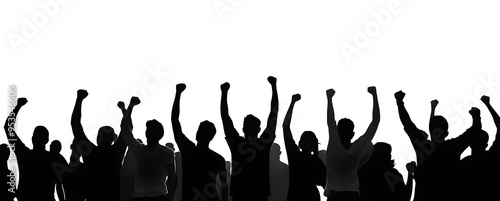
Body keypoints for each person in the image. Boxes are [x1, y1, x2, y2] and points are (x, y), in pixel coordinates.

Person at [394, 91, 478, 201]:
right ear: (446, 133)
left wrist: (399, 102)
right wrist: (476, 116)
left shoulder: (423, 147)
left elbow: (407, 123)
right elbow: (474, 130)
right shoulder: (453, 146)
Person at [220, 76, 278, 201]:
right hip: (258, 194)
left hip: (243, 195)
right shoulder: (263, 143)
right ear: (258, 130)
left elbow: (225, 117)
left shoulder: (237, 142)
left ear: (243, 129)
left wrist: (224, 93)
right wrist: (274, 86)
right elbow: (274, 113)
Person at [172, 83, 227, 201]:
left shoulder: (188, 149)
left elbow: (174, 120)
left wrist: (178, 94)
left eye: (201, 131)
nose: (199, 133)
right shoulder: (217, 158)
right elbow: (224, 186)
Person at [4, 98, 65, 201]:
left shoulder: (24, 154)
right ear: (47, 140)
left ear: (32, 139)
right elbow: (63, 183)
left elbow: (8, 127)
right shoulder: (54, 158)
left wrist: (18, 106)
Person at [71, 89, 127, 201]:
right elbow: (127, 128)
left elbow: (75, 125)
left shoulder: (90, 151)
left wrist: (79, 99)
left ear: (98, 138)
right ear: (113, 139)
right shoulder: (117, 152)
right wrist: (124, 110)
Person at [324, 87, 379, 201]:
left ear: (337, 131)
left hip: (335, 197)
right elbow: (375, 121)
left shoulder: (334, 144)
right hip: (352, 196)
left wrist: (329, 99)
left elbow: (330, 120)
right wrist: (374, 95)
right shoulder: (357, 148)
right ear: (352, 134)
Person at [120, 96, 176, 201]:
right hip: (158, 197)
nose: (147, 132)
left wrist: (130, 107)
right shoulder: (167, 152)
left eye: (149, 130)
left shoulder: (139, 150)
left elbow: (125, 130)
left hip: (147, 197)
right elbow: (172, 178)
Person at [282, 94, 326, 201]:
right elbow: (325, 184)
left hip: (294, 196)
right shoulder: (316, 161)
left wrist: (292, 103)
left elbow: (285, 127)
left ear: (300, 143)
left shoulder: (294, 155)